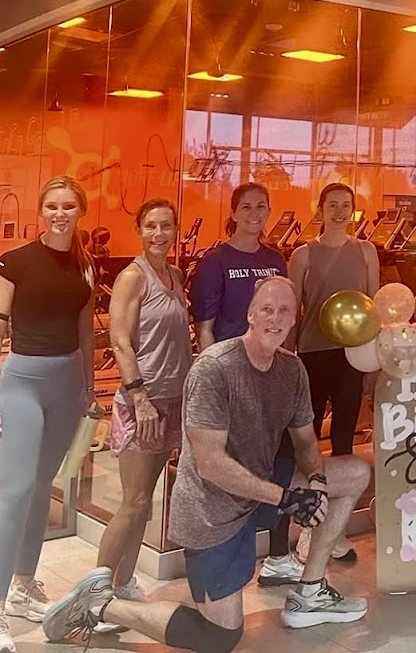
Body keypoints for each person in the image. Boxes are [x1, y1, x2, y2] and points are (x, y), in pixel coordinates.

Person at [43, 276, 371, 651]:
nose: (275, 318)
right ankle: (100, 604)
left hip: (261, 486)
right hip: (212, 509)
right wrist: (286, 498)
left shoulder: (292, 370)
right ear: (250, 314)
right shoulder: (215, 368)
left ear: (294, 319)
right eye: (266, 309)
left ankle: (310, 592)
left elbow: (306, 440)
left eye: (284, 311)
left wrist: (316, 482)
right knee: (219, 636)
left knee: (354, 473)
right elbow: (211, 465)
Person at [0, 176, 99, 653]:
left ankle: (23, 586)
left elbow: (85, 328)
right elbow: (0, 324)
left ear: (80, 211)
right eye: (52, 206)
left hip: (67, 383)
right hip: (23, 381)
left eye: (69, 206)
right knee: (15, 490)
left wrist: (89, 387)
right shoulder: (14, 262)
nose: (60, 214)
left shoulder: (85, 265)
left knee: (43, 486)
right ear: (41, 212)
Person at [189, 182, 299, 587]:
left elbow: (284, 318)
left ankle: (279, 555)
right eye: (247, 207)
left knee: (281, 462)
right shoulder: (215, 262)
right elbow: (205, 328)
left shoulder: (275, 260)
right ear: (233, 213)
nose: (255, 213)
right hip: (232, 377)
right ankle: (227, 559)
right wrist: (215, 382)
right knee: (234, 469)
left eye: (261, 206)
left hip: (271, 376)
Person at [95, 199, 192, 605]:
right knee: (133, 503)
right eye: (151, 226)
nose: (159, 234)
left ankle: (123, 583)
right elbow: (120, 341)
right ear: (139, 230)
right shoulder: (133, 278)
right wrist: (139, 397)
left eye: (166, 226)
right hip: (143, 402)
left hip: (172, 400)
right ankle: (93, 592)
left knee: (146, 505)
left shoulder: (175, 275)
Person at [289, 183, 379, 563]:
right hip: (312, 355)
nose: (340, 212)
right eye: (333, 205)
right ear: (320, 210)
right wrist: (287, 360)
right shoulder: (303, 255)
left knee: (343, 441)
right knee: (307, 444)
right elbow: (293, 311)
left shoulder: (366, 252)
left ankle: (335, 531)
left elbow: (373, 310)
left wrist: (373, 365)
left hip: (352, 358)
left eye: (346, 205)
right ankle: (308, 527)